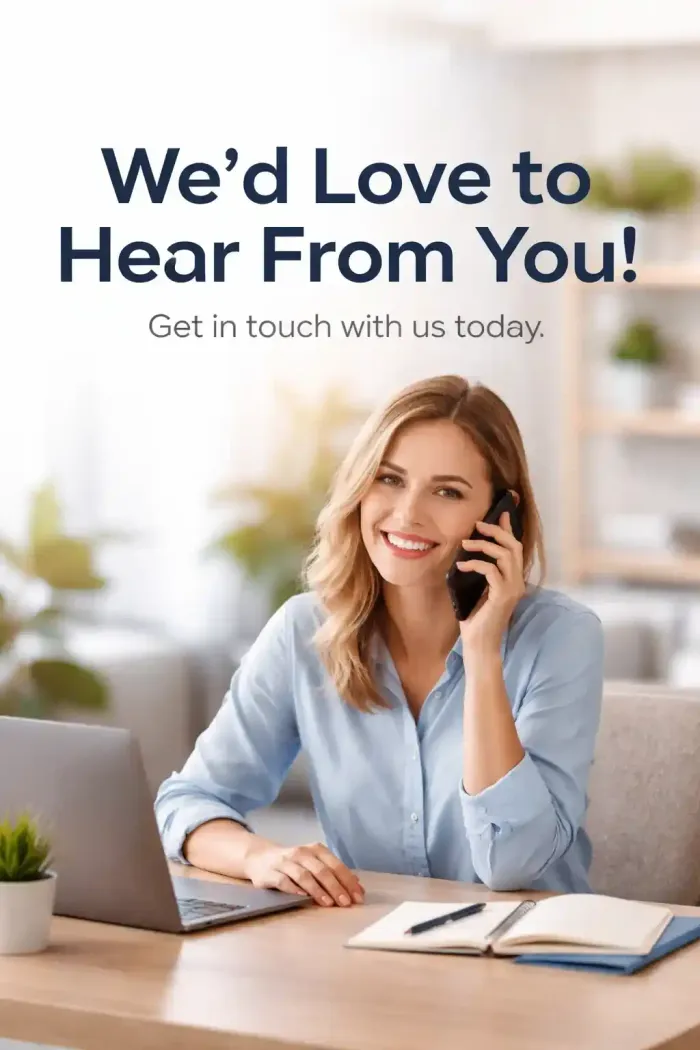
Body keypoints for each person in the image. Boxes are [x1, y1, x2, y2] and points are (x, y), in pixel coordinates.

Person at [155, 375, 603, 907]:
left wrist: (482, 653)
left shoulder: (560, 638)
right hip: (370, 954)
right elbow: (188, 801)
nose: (408, 512)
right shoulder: (305, 631)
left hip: (527, 961)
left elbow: (512, 864)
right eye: (390, 479)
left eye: (447, 491)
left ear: (500, 516)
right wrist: (260, 857)